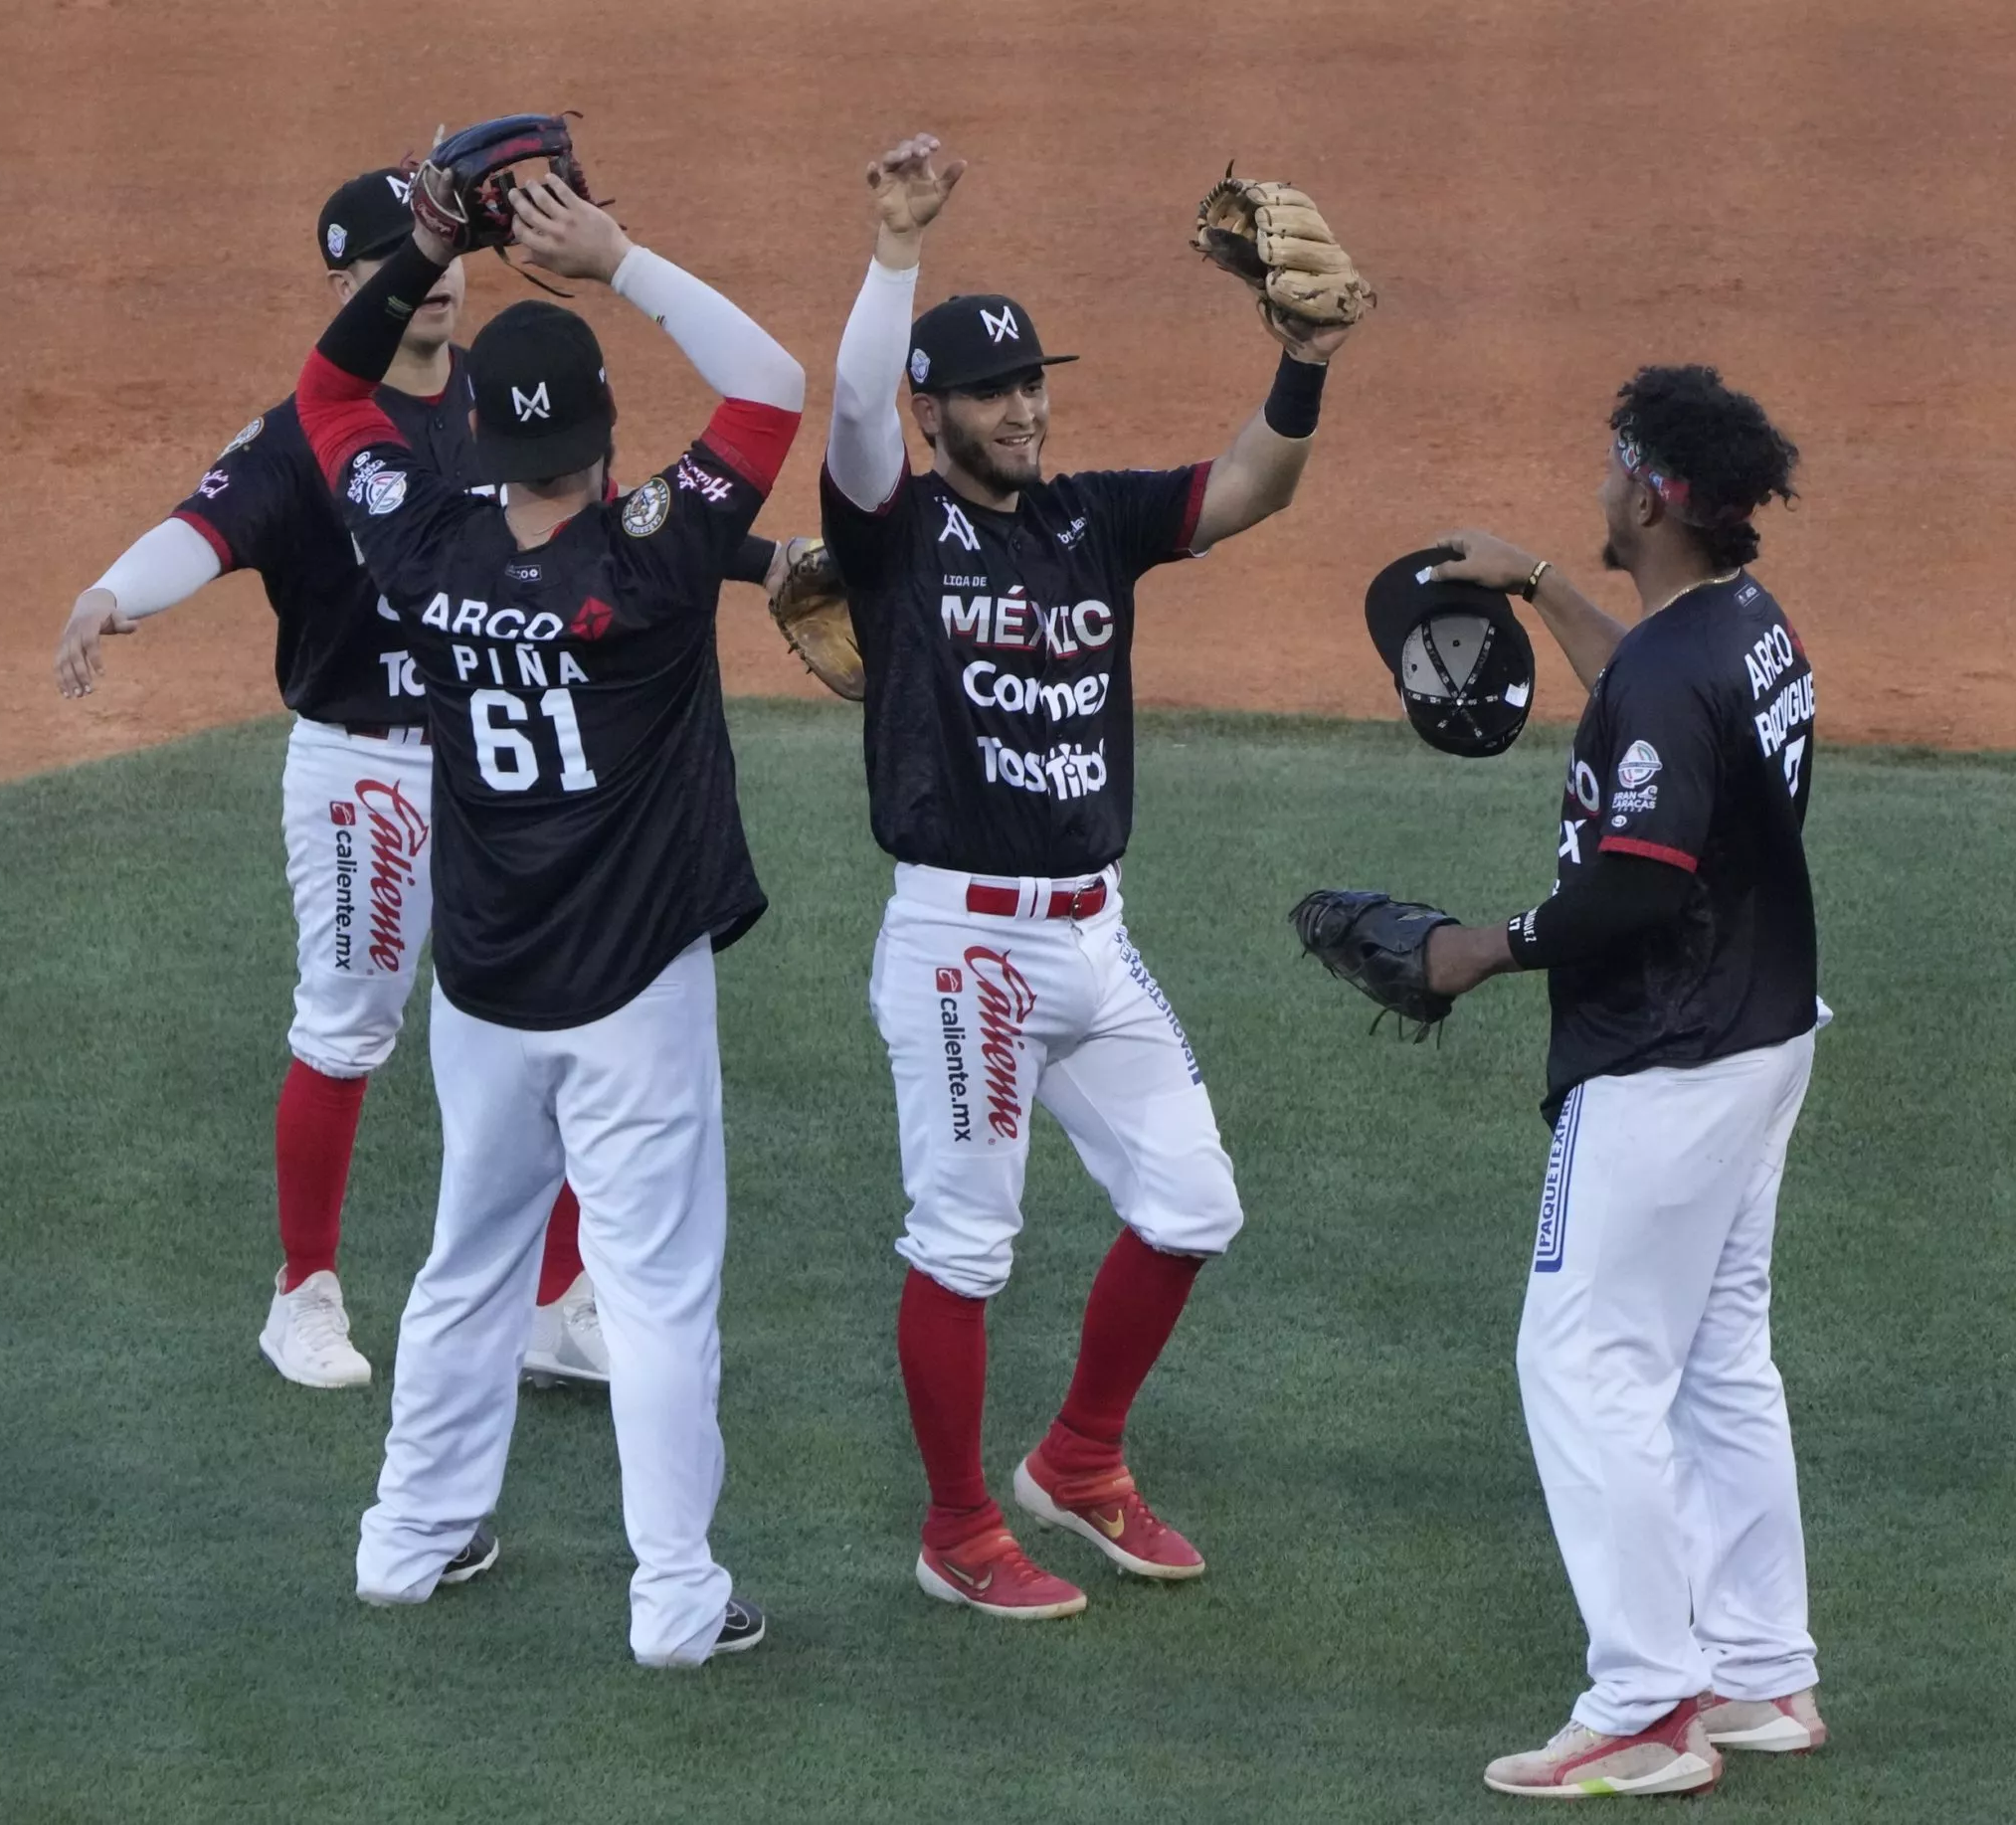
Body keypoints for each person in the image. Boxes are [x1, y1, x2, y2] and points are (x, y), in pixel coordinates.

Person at [54, 167, 805, 1391]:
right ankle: (302, 1290)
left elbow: (602, 539)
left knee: (562, 1002)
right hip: (364, 764)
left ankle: (556, 1303)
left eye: (444, 251)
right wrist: (111, 593)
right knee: (349, 1022)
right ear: (350, 285)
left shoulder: (503, 399)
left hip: (496, 766)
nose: (441, 274)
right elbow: (207, 526)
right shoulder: (310, 432)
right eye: (405, 257)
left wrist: (763, 559)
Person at [820, 133, 1360, 1619]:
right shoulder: (897, 532)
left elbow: (1253, 487)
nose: (1024, 407)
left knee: (1193, 1201)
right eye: (993, 391)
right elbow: (856, 405)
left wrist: (1303, 362)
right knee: (965, 1240)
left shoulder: (1085, 517)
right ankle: (955, 1526)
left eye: (1033, 382)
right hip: (962, 947)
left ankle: (1082, 1457)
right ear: (938, 415)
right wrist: (895, 249)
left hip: (1091, 935)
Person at [292, 161, 800, 1663]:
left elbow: (329, 398)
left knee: (467, 1261)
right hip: (635, 993)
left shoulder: (427, 545)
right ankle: (674, 1597)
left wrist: (423, 252)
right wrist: (617, 256)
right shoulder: (655, 554)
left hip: (486, 988)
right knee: (654, 1293)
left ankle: (406, 1539)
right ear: (601, 432)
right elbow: (768, 384)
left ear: (482, 437)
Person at [1419, 366, 1823, 1798]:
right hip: (1769, 1025)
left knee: (1583, 1362)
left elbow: (1637, 882)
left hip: (1669, 1052)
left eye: (1611, 467)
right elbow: (1659, 707)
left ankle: (1650, 1703)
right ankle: (1764, 1669)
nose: (1597, 485)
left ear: (1654, 493)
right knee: (1717, 1354)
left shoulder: (1673, 668)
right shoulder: (1744, 627)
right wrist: (1534, 579)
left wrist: (1482, 948)